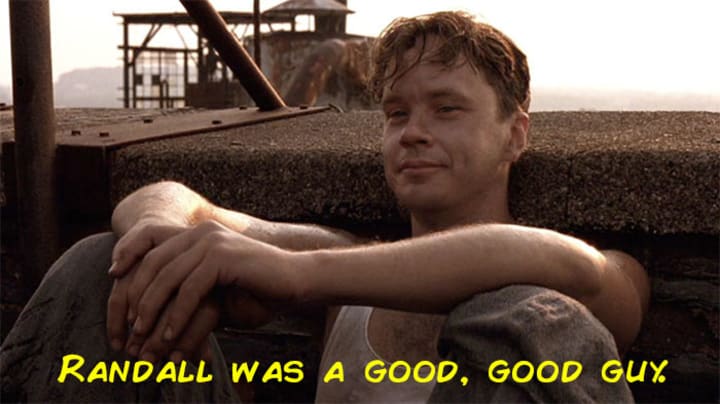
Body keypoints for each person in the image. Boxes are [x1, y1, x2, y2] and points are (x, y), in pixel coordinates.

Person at [1, 11, 649, 403]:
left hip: (530, 320)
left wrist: (296, 274)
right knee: (101, 262)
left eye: (447, 109)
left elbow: (567, 264)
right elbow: (165, 197)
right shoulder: (350, 268)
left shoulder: (588, 284)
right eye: (396, 113)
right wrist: (163, 237)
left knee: (525, 315)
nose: (413, 132)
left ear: (515, 134)